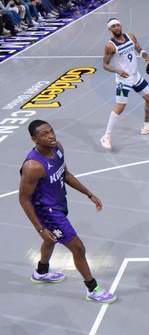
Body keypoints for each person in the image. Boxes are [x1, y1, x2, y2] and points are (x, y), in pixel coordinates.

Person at [18, 120, 116, 304]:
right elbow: (23, 199)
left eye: (51, 131)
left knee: (52, 240)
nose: (51, 136)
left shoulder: (58, 149)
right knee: (78, 247)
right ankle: (92, 288)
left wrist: (89, 194)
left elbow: (65, 174)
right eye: (45, 134)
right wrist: (40, 228)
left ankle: (41, 272)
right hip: (48, 212)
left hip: (59, 203)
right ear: (34, 139)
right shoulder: (33, 166)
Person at [100, 18, 149, 151]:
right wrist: (117, 71)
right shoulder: (110, 46)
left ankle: (146, 127)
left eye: (118, 25)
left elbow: (139, 48)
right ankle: (106, 136)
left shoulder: (130, 37)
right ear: (110, 29)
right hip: (123, 79)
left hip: (135, 76)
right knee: (120, 107)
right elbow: (104, 65)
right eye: (113, 26)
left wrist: (145, 55)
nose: (116, 27)